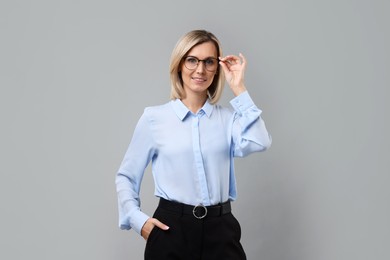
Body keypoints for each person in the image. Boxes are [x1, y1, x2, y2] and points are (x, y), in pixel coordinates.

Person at [116, 29, 272, 260]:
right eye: (192, 60)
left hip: (221, 231)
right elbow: (126, 176)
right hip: (171, 231)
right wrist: (138, 220)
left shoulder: (228, 119)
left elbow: (260, 141)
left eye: (209, 62)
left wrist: (239, 87)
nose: (200, 69)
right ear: (179, 65)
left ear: (217, 68)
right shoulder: (154, 119)